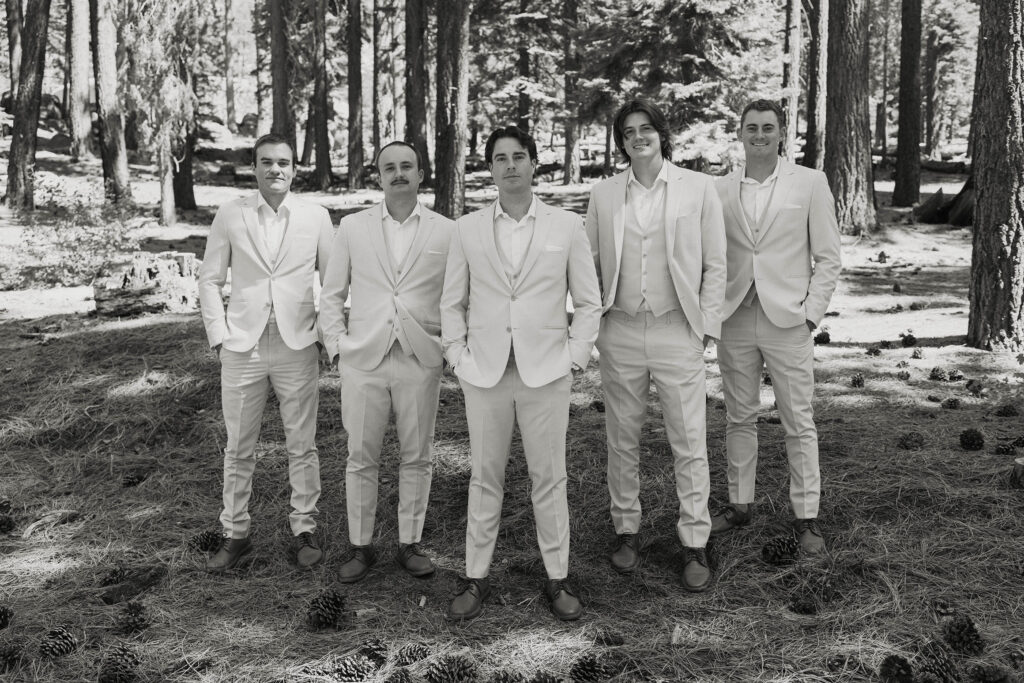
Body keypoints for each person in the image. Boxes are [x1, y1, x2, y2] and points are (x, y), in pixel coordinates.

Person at [440, 125, 601, 621]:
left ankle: (557, 577)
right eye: (500, 158)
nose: (510, 165)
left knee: (549, 478)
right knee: (485, 477)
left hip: (546, 372)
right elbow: (452, 301)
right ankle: (475, 577)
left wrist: (573, 358)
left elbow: (589, 302)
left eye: (519, 156)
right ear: (490, 168)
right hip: (484, 373)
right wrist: (457, 357)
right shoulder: (466, 228)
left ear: (534, 164)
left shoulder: (566, 226)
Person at [584, 99, 727, 592]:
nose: (637, 137)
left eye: (646, 129)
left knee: (688, 439)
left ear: (661, 135)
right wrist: (592, 325)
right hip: (620, 330)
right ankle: (627, 531)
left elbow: (716, 262)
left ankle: (694, 541)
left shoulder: (698, 188)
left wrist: (704, 325)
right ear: (620, 141)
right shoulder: (603, 195)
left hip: (675, 329)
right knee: (622, 439)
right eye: (628, 131)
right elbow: (591, 265)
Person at [318, 141, 455, 582]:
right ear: (379, 176)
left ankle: (409, 543)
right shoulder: (353, 228)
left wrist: (449, 346)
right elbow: (332, 294)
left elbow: (458, 299)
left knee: (417, 454)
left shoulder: (447, 231)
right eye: (389, 168)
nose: (398, 174)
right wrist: (337, 346)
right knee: (361, 455)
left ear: (420, 174)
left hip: (420, 358)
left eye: (407, 167)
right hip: (364, 358)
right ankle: (361, 546)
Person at [197, 133, 333, 571]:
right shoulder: (230, 213)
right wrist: (219, 335)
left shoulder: (316, 217)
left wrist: (328, 338)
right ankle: (234, 532)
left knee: (302, 443)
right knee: (239, 445)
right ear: (254, 168)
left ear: (295, 169)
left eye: (284, 162)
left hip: (297, 344)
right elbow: (209, 279)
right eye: (267, 162)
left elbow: (333, 285)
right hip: (243, 346)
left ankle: (304, 530)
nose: (276, 169)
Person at [711, 99, 842, 553]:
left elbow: (828, 257)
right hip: (736, 317)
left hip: (789, 319)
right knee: (738, 416)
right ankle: (739, 503)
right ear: (741, 133)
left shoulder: (809, 182)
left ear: (782, 133)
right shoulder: (720, 189)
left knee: (798, 420)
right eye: (752, 127)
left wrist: (810, 315)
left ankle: (806, 516)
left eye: (768, 127)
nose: (760, 135)